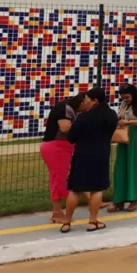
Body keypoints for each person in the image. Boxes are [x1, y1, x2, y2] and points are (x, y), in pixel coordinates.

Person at [60, 87, 118, 233]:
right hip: (102, 154)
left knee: (75, 189)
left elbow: (71, 137)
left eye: (87, 99)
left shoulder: (84, 117)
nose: (85, 102)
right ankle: (92, 221)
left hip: (82, 154)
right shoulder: (111, 115)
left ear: (95, 100)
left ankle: (66, 223)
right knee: (97, 189)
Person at [40, 93, 84, 224]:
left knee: (73, 176)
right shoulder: (64, 108)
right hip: (57, 148)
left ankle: (94, 200)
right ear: (81, 102)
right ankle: (57, 213)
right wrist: (84, 125)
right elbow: (65, 128)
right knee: (59, 180)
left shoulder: (72, 110)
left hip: (63, 147)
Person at [109, 84, 137, 213]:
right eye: (123, 98)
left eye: (127, 97)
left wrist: (129, 122)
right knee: (121, 168)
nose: (125, 100)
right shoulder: (124, 105)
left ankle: (134, 199)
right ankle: (119, 200)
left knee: (136, 167)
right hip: (125, 136)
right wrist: (119, 117)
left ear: (133, 94)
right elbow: (120, 117)